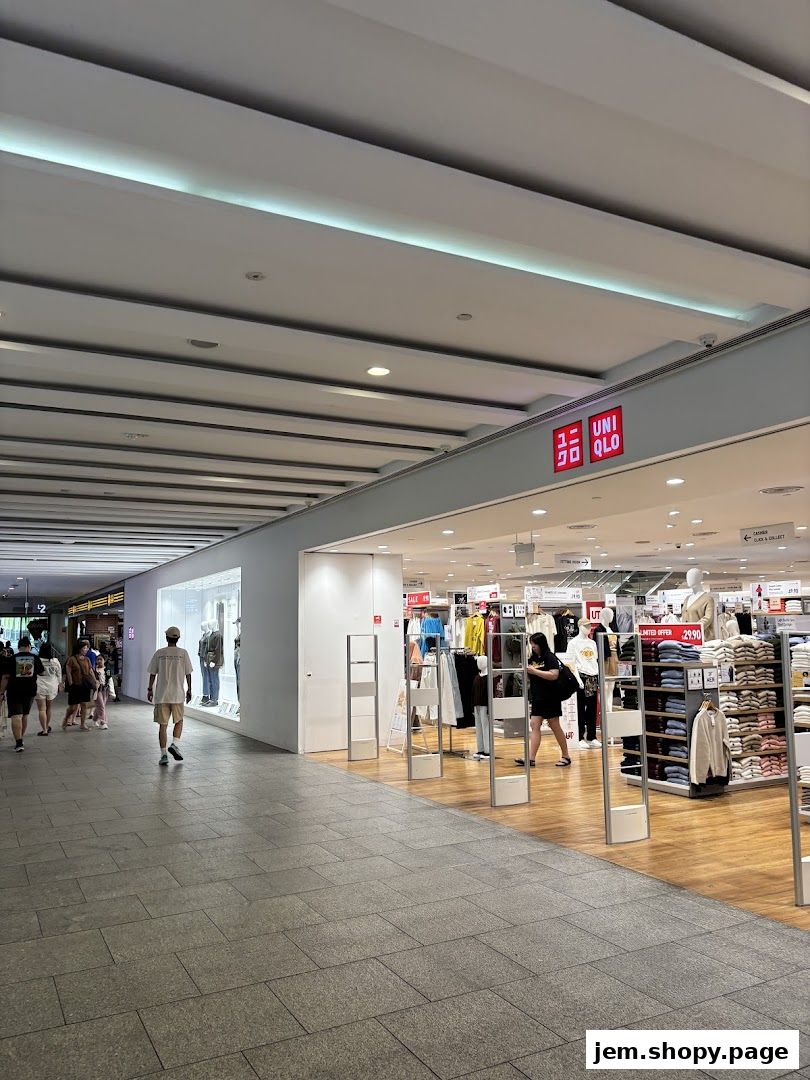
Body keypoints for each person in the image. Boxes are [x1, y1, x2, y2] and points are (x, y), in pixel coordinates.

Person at [515, 632, 571, 768]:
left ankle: (566, 755)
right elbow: (531, 677)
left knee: (554, 725)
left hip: (551, 696)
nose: (533, 646)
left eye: (534, 644)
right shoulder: (533, 658)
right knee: (534, 724)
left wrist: (535, 672)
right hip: (538, 696)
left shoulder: (549, 657)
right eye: (531, 644)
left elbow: (554, 675)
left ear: (541, 643)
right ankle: (531, 758)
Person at [147, 625, 193, 766]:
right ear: (178, 638)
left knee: (163, 725)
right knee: (179, 720)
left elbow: (152, 673)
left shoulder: (159, 653)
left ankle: (163, 755)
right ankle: (175, 744)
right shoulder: (183, 653)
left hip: (162, 695)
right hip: (177, 694)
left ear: (166, 637)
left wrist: (150, 689)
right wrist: (189, 689)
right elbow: (188, 673)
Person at [0, 637, 45, 752]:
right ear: (29, 646)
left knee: (16, 716)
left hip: (14, 691)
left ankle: (19, 742)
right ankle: (20, 738)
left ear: (19, 647)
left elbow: (5, 677)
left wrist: (1, 692)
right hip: (30, 691)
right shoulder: (35, 658)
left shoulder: (11, 659)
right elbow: (42, 672)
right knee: (24, 715)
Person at [64, 640, 97, 730]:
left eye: (87, 648)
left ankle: (83, 724)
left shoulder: (87, 659)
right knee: (73, 707)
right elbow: (68, 671)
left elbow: (90, 671)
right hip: (75, 685)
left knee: (84, 705)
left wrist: (95, 681)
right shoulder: (72, 659)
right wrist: (71, 683)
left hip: (85, 685)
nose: (86, 650)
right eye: (84, 648)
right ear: (79, 649)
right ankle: (66, 719)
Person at [34, 642, 62, 737]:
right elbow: (59, 674)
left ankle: (44, 730)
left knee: (42, 709)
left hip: (39, 685)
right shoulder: (55, 661)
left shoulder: (37, 660)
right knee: (49, 708)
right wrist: (60, 684)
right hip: (52, 686)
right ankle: (46, 725)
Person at [93, 655, 110, 729]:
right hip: (97, 690)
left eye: (101, 659)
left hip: (105, 690)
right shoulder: (94, 670)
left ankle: (94, 719)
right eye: (98, 659)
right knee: (101, 706)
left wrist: (112, 692)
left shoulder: (107, 670)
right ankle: (103, 722)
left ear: (104, 660)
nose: (99, 661)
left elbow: (110, 680)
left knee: (100, 706)